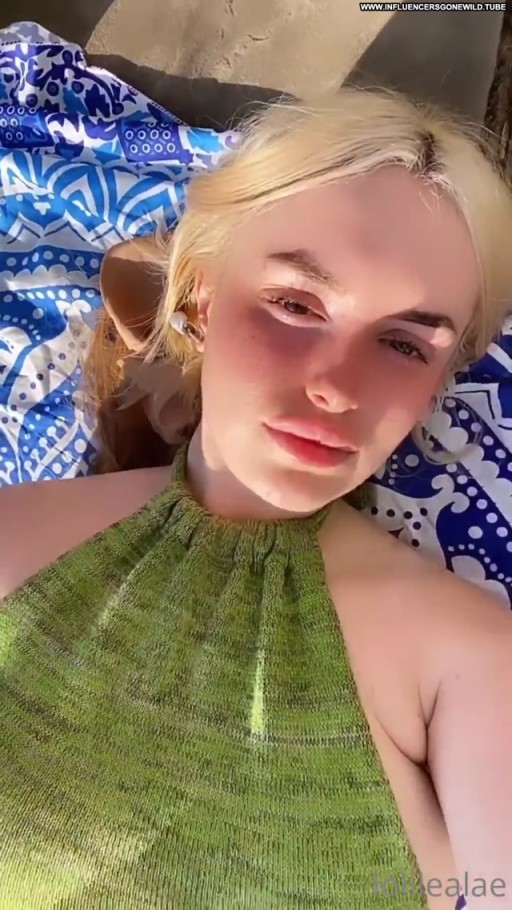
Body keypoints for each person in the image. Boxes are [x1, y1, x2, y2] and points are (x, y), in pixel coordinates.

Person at [0, 86, 512, 910]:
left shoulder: (474, 662)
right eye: (296, 304)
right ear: (202, 298)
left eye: (403, 344)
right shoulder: (14, 543)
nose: (337, 387)